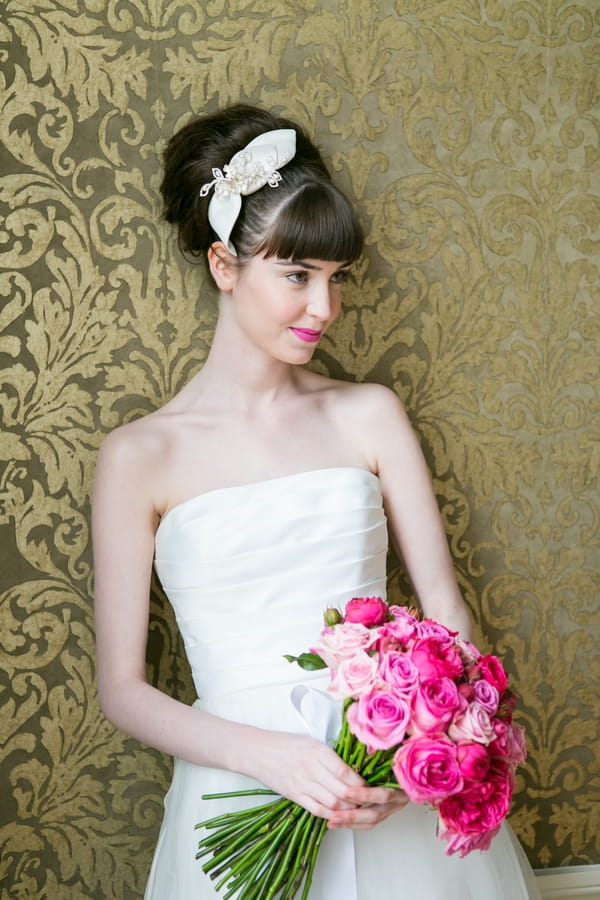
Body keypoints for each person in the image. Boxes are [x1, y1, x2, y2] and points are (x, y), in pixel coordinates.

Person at [92, 104, 540, 899]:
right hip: (237, 787)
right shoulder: (138, 456)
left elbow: (447, 616)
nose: (324, 310)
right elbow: (122, 690)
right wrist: (276, 760)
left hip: (387, 790)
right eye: (296, 276)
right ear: (225, 265)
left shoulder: (368, 414)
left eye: (334, 280)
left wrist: (423, 760)